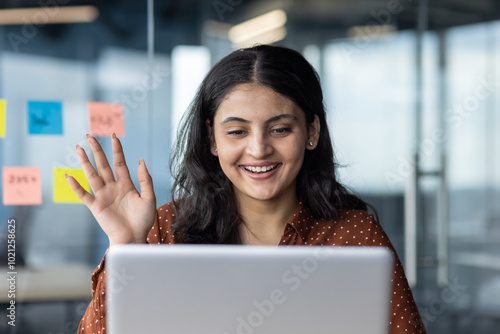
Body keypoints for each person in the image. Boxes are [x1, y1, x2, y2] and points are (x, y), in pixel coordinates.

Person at [67, 45, 426, 334]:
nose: (258, 149)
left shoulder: (354, 235)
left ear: (312, 132)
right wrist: (126, 248)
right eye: (237, 131)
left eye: (280, 129)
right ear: (212, 140)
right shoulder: (165, 230)